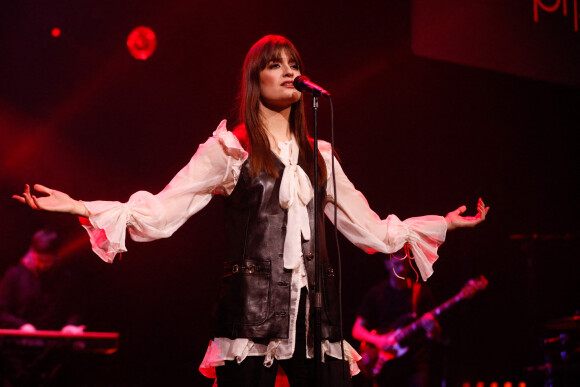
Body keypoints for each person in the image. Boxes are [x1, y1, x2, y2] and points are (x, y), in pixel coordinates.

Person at [12, 35, 489, 387]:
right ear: (254, 78)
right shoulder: (230, 149)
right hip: (251, 313)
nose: (288, 71)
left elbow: (368, 229)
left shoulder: (319, 154)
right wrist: (78, 204)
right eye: (275, 64)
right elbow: (161, 212)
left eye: (293, 64)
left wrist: (441, 223)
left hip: (315, 315)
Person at [0, 228, 85, 385]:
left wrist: (70, 326)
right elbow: (2, 311)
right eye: (39, 260)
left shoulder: (65, 278)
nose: (43, 265)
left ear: (56, 256)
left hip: (52, 352)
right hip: (18, 353)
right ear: (32, 252)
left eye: (48, 261)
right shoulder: (15, 275)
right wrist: (21, 325)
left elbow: (75, 310)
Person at [352, 254, 442, 387]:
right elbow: (357, 330)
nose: (402, 269)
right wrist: (380, 341)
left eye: (405, 264)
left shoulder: (421, 293)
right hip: (386, 366)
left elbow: (435, 334)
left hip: (415, 365)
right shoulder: (376, 293)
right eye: (397, 264)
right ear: (387, 264)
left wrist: (433, 328)